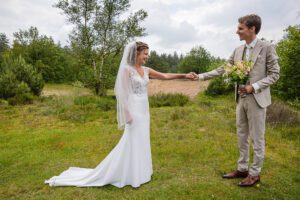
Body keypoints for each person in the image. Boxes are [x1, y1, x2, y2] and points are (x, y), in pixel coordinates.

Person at [44, 41, 197, 188]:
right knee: (131, 140)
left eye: (147, 54)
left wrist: (185, 75)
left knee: (142, 139)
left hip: (144, 109)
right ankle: (125, 173)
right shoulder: (126, 70)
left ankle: (140, 172)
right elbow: (121, 93)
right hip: (133, 109)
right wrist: (127, 114)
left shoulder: (147, 70)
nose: (147, 56)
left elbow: (165, 75)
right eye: (145, 54)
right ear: (136, 53)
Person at [196, 14, 280, 187]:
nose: (237, 31)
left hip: (257, 100)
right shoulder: (237, 50)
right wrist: (200, 76)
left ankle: (255, 173)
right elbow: (223, 69)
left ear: (252, 29)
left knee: (257, 138)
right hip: (240, 99)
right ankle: (242, 168)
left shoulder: (267, 48)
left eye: (240, 28)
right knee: (242, 135)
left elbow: (274, 75)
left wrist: (254, 86)